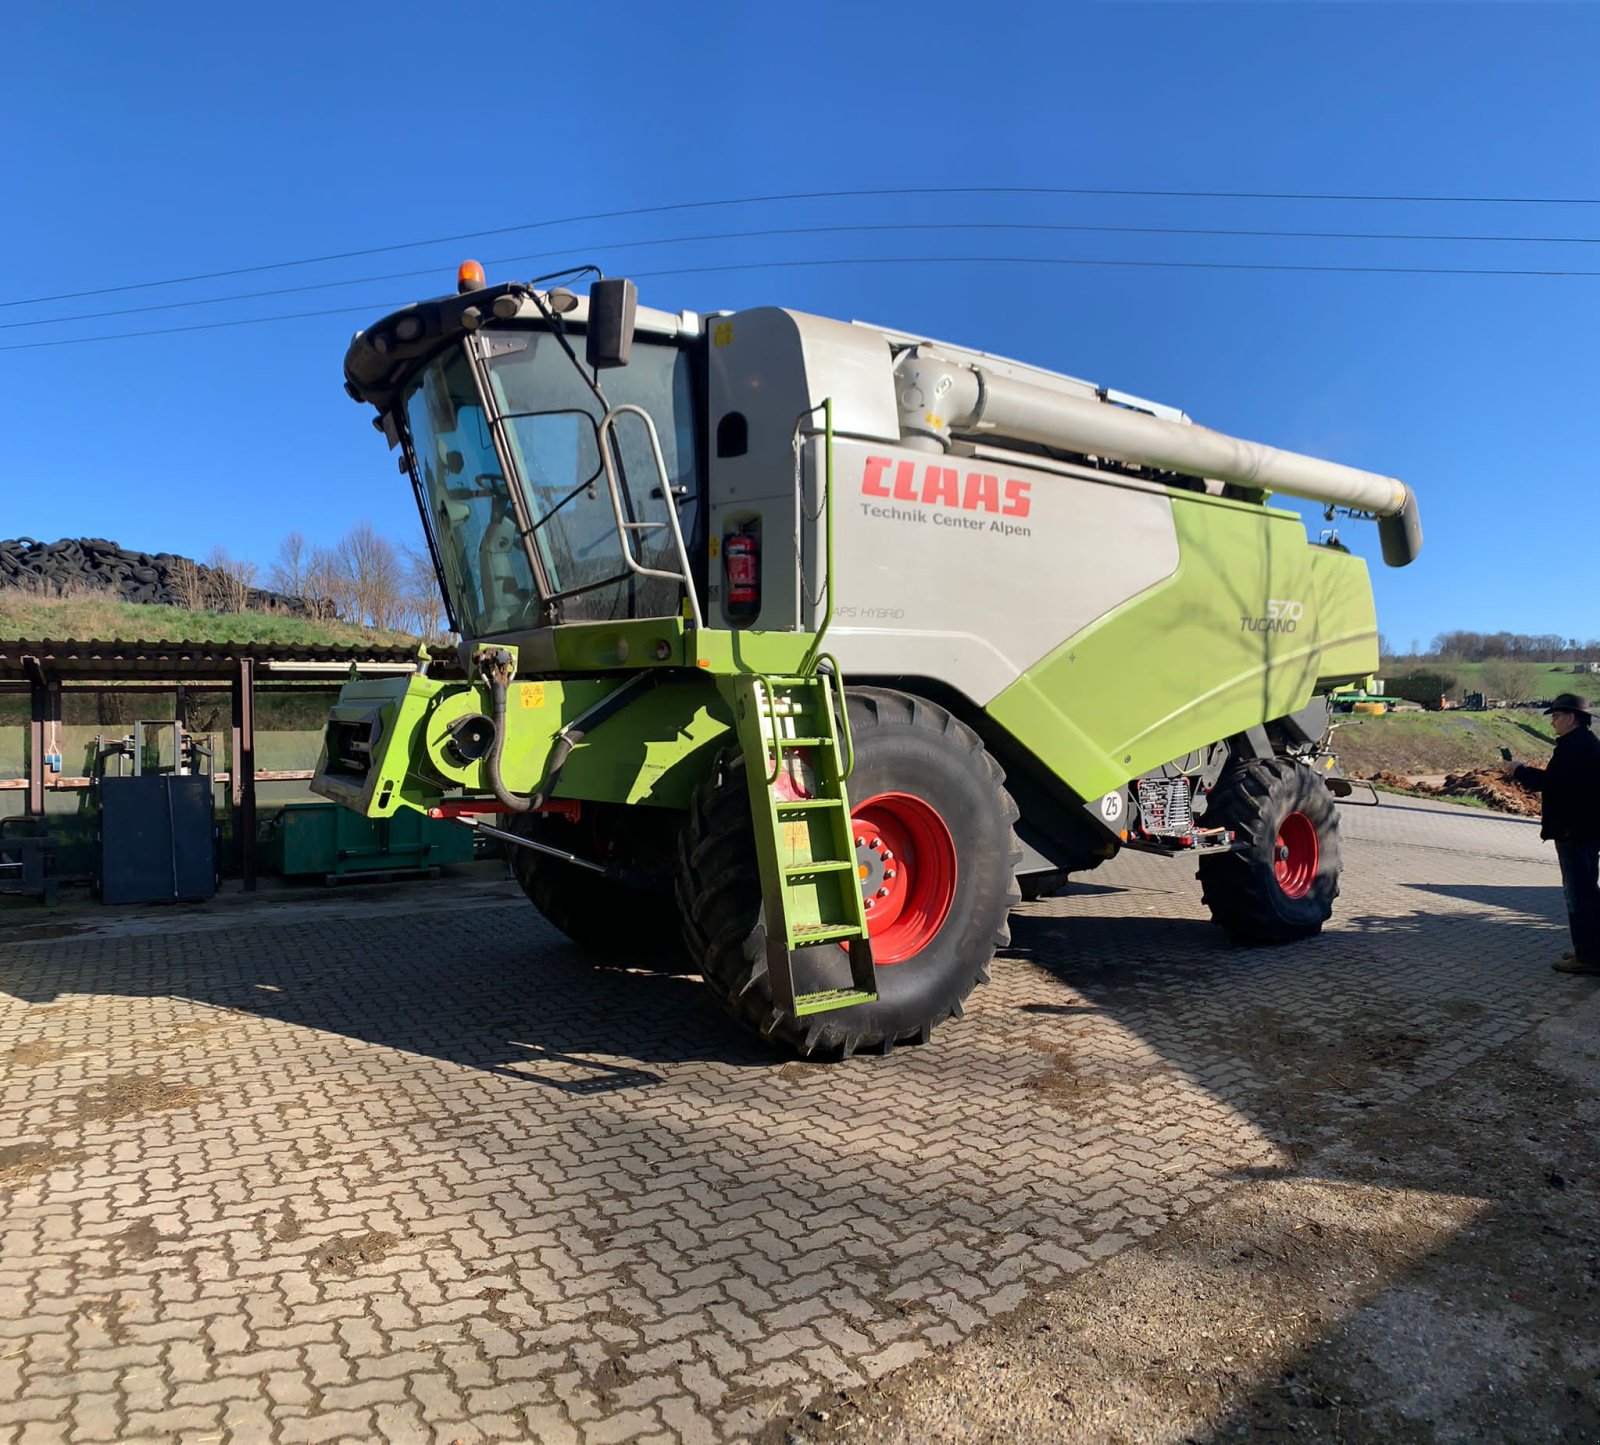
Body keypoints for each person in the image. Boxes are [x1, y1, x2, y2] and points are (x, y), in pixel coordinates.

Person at [1506, 693, 1600, 974]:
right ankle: (1589, 950)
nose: (1553, 723)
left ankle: (1588, 958)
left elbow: (1553, 783)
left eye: (1556, 717)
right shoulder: (1587, 745)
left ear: (1571, 718)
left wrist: (1518, 770)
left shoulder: (1574, 748)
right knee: (1587, 892)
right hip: (1585, 830)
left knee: (1579, 894)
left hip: (1575, 832)